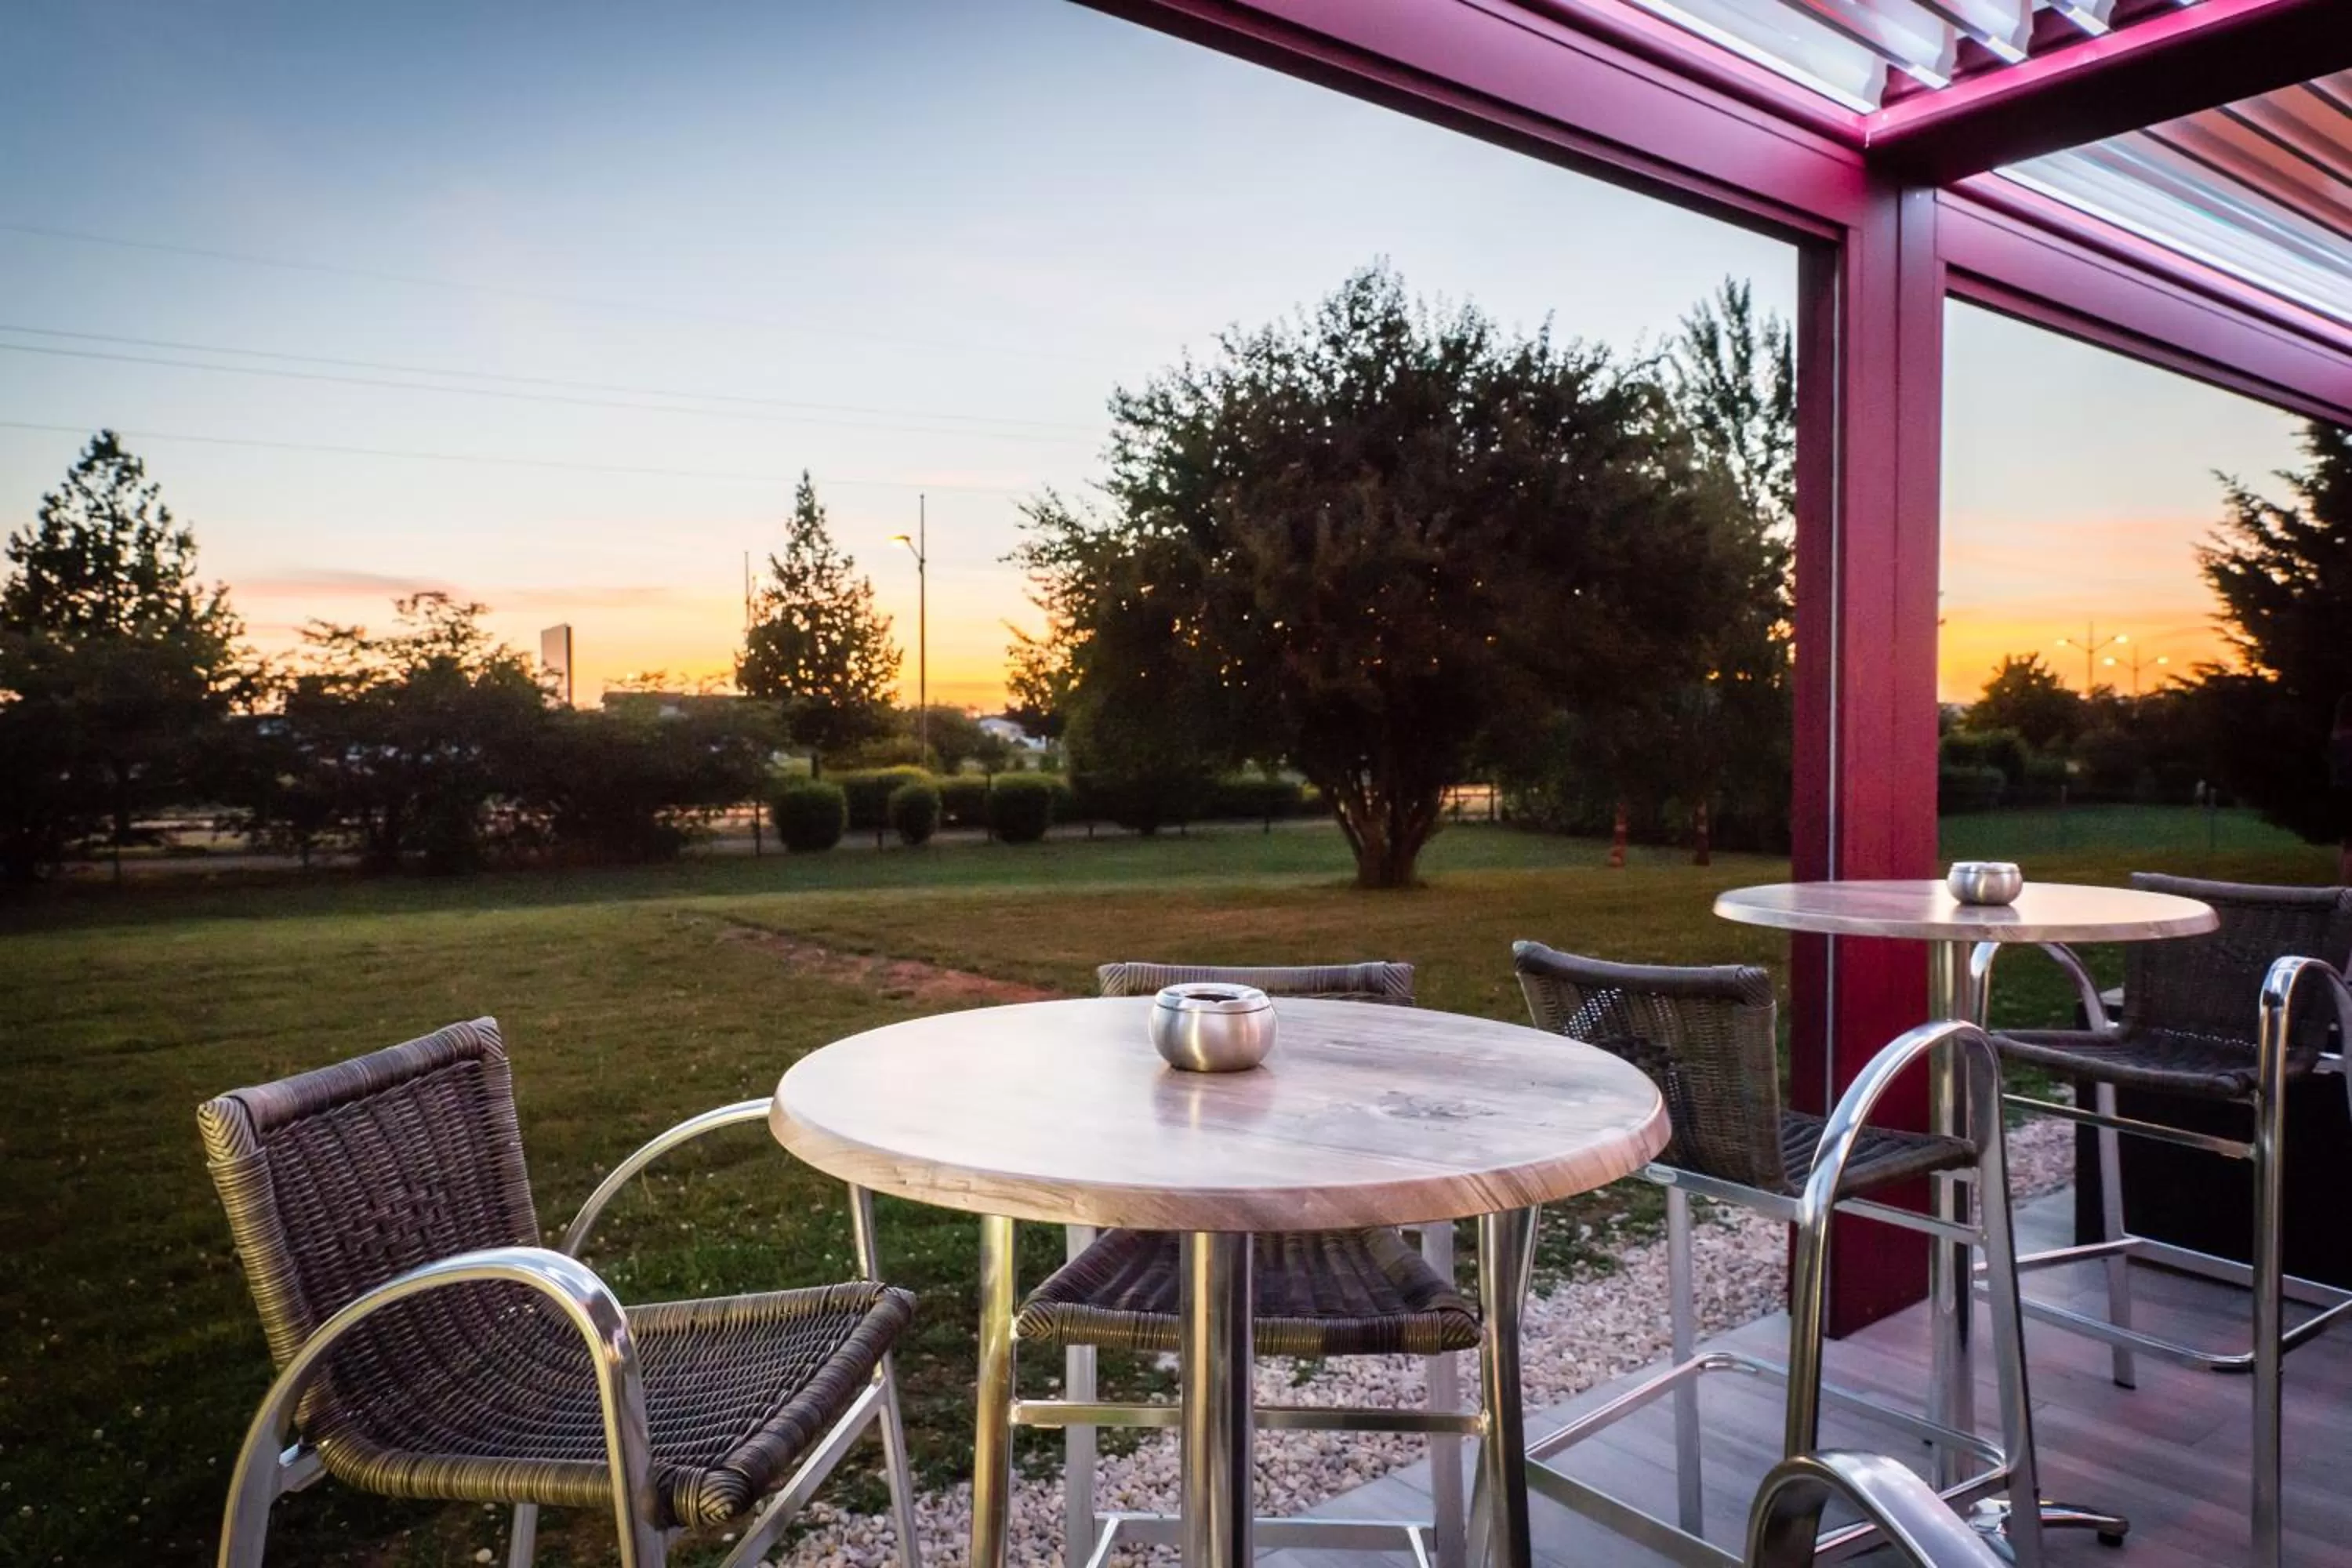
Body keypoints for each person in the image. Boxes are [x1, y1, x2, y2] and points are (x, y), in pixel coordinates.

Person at [2332, 694, 2352, 885]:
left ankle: (2345, 889)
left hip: (2343, 795)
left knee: (2347, 845)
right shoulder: (2348, 742)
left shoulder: (2339, 739)